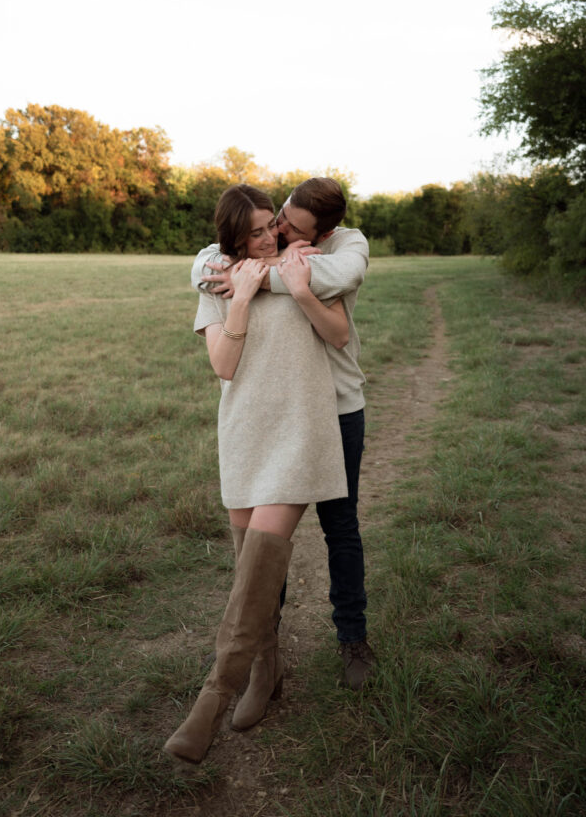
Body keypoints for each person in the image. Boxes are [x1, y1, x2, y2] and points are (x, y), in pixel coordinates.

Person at [164, 184, 350, 764]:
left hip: (300, 430)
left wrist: (292, 281)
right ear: (232, 238)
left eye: (273, 225)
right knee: (252, 574)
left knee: (264, 556)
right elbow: (224, 364)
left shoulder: (306, 264)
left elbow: (339, 332)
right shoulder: (215, 281)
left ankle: (212, 698)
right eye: (257, 231)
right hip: (245, 431)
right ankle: (265, 671)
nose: (271, 236)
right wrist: (240, 298)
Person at [191, 177, 375, 691]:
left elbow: (342, 279)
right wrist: (249, 270)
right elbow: (205, 263)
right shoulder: (261, 244)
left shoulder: (344, 248)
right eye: (279, 219)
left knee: (341, 529)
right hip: (282, 410)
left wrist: (269, 276)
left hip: (338, 407)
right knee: (268, 540)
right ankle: (260, 651)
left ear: (326, 231)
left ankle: (352, 639)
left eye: (293, 227)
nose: (280, 231)